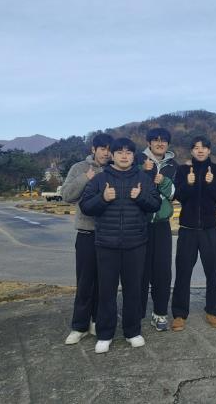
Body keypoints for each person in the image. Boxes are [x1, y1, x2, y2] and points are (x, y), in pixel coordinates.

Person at [80, 138, 162, 354]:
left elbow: (155, 204)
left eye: (128, 152)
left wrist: (141, 197)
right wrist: (103, 198)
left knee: (133, 290)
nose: (124, 156)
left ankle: (132, 331)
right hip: (106, 244)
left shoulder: (143, 178)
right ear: (113, 155)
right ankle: (105, 334)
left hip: (136, 243)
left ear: (134, 156)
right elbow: (86, 206)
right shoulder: (100, 179)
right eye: (120, 152)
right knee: (106, 291)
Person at [62, 133, 113, 345]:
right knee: (85, 282)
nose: (106, 153)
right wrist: (86, 178)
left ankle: (97, 321)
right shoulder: (79, 168)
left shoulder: (114, 169)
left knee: (105, 283)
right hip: (86, 232)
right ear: (93, 149)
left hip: (109, 234)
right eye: (102, 149)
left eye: (109, 149)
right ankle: (79, 326)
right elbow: (67, 195)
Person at [171, 136, 216, 331]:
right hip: (187, 229)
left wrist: (211, 183)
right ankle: (179, 314)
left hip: (210, 229)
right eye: (196, 148)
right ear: (191, 151)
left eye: (203, 147)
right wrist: (188, 183)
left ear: (209, 150)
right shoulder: (183, 170)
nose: (200, 150)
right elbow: (179, 196)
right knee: (183, 272)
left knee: (213, 272)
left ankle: (213, 311)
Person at [137, 127, 178, 332]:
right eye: (156, 140)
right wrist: (144, 172)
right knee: (139, 270)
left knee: (162, 270)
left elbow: (174, 194)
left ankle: (160, 313)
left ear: (168, 144)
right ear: (149, 143)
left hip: (162, 224)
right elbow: (131, 187)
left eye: (164, 140)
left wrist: (163, 181)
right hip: (139, 224)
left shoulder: (173, 166)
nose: (160, 143)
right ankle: (136, 313)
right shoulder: (137, 160)